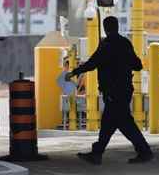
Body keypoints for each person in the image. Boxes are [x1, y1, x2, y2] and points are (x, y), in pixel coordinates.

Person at [65, 16, 153, 165]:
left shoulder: (106, 45)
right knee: (108, 124)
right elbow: (138, 65)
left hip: (112, 92)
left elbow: (92, 64)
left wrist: (74, 72)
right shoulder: (125, 43)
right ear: (117, 27)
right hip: (124, 90)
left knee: (125, 124)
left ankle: (144, 152)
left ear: (105, 28)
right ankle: (97, 153)